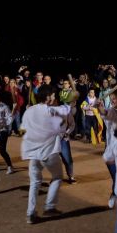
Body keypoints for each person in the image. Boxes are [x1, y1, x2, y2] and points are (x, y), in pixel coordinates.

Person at [21, 86, 73, 224]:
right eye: (53, 95)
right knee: (57, 177)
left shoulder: (29, 110)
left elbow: (23, 128)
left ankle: (30, 213)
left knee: (34, 183)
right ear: (48, 97)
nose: (54, 97)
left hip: (33, 154)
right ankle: (49, 206)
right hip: (49, 153)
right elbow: (66, 110)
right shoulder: (51, 110)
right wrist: (72, 101)